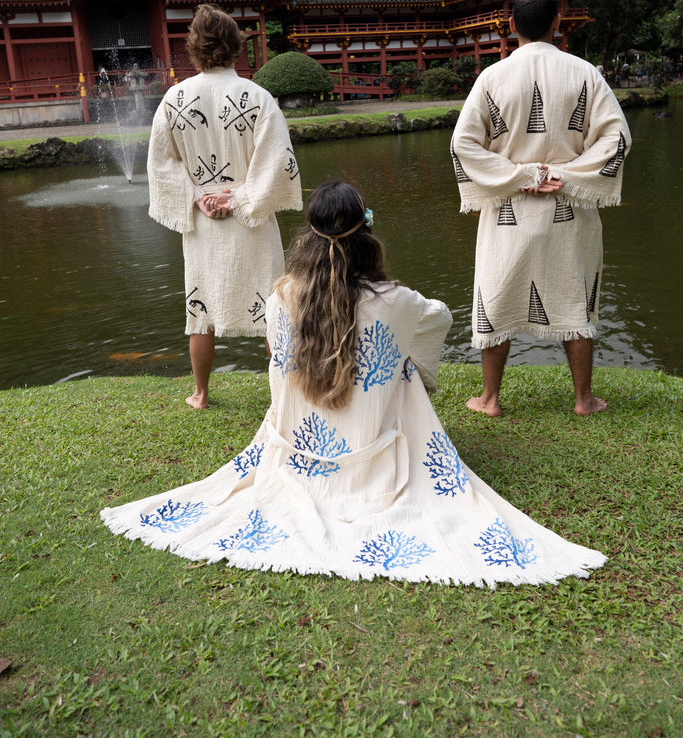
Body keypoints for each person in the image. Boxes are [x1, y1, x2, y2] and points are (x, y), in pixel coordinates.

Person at [101, 180, 606, 586]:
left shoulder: (281, 298)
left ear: (309, 235)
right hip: (374, 458)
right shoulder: (395, 300)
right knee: (403, 361)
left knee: (371, 355)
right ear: (366, 233)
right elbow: (439, 320)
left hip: (296, 452)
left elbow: (279, 357)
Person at [450, 0, 631, 418]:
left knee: (496, 299)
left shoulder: (492, 77)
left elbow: (463, 145)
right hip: (569, 211)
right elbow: (617, 138)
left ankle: (490, 400)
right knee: (576, 296)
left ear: (512, 25)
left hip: (508, 210)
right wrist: (563, 175)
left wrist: (520, 175)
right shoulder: (586, 73)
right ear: (557, 22)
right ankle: (583, 399)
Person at [146, 3, 302, 409]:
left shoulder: (174, 98)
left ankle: (200, 393)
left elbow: (161, 162)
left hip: (202, 222)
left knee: (200, 309)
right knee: (273, 307)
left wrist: (198, 196)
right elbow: (278, 161)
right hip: (250, 217)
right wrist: (239, 198)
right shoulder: (258, 96)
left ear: (193, 48)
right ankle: (290, 393)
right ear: (236, 46)